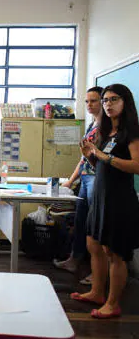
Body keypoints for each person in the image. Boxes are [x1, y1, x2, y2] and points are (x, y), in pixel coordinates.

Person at [71, 84, 139, 319]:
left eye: (113, 99)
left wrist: (103, 156)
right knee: (93, 246)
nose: (108, 104)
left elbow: (136, 166)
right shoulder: (105, 132)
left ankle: (113, 303)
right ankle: (97, 292)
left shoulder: (130, 133)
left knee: (114, 253)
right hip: (98, 196)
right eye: (105, 100)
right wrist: (90, 157)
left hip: (118, 200)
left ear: (125, 102)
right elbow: (101, 166)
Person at [54, 86, 104, 285]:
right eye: (87, 101)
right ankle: (74, 260)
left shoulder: (107, 127)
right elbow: (83, 159)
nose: (89, 105)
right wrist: (71, 180)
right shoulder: (92, 125)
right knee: (81, 221)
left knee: (95, 226)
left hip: (97, 179)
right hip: (85, 178)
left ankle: (98, 272)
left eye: (94, 101)